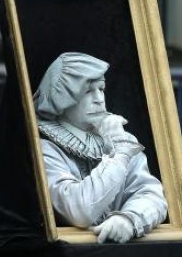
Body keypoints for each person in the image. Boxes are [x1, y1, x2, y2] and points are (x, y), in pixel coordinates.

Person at [33, 52, 167, 243]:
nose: (99, 99)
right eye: (87, 91)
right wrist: (120, 154)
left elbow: (151, 194)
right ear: (62, 96)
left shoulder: (120, 138)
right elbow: (80, 210)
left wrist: (128, 219)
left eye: (101, 89)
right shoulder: (45, 149)